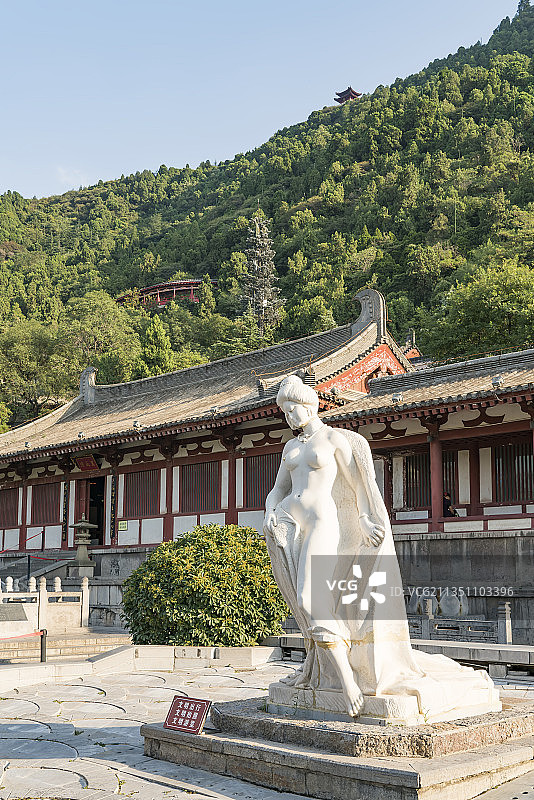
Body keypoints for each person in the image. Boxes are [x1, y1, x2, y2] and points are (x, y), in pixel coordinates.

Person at [264, 375, 499, 720]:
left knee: (309, 598)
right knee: (304, 602)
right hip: (290, 525)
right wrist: (270, 510)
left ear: (310, 404)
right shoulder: (291, 448)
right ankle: (331, 671)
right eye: (285, 411)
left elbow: (359, 483)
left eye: (294, 408)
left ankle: (347, 683)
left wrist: (363, 518)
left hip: (322, 523)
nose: (290, 417)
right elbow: (277, 489)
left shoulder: (334, 439)